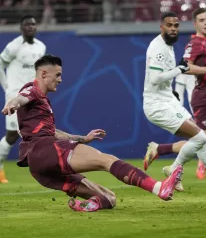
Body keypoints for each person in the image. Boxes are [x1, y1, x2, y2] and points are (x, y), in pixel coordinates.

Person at [2, 54, 183, 212]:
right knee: (106, 160)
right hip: (44, 151)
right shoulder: (32, 89)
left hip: (40, 166)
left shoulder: (41, 103)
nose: (60, 79)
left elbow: (53, 132)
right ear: (43, 74)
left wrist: (83, 138)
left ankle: (88, 205)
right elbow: (20, 98)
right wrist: (12, 104)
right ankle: (159, 187)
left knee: (109, 198)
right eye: (58, 75)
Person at [142, 11, 206, 192]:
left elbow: (161, 79)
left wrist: (171, 90)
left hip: (167, 100)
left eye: (176, 25)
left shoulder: (168, 46)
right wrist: (179, 70)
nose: (173, 29)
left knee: (200, 139)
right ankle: (174, 168)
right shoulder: (157, 47)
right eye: (169, 26)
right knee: (199, 137)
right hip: (156, 105)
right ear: (161, 27)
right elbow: (154, 79)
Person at [0, 15, 46, 183]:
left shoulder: (41, 47)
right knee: (12, 135)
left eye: (33, 24)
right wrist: (6, 87)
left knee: (40, 132)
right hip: (15, 96)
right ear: (21, 28)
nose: (31, 27)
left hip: (32, 96)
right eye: (27, 25)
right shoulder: (14, 46)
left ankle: (44, 169)